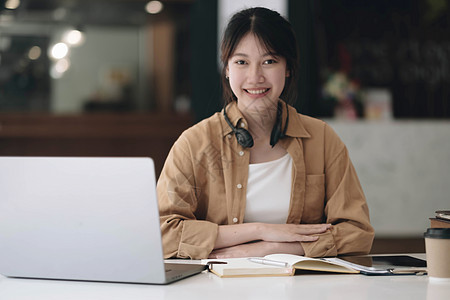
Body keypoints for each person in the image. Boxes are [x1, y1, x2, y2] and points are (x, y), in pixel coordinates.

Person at [157, 7, 374, 259]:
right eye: (241, 62)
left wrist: (270, 248)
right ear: (226, 69)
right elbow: (163, 235)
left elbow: (357, 232)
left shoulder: (322, 139)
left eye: (269, 61)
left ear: (288, 68)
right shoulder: (194, 143)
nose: (255, 77)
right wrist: (262, 230)